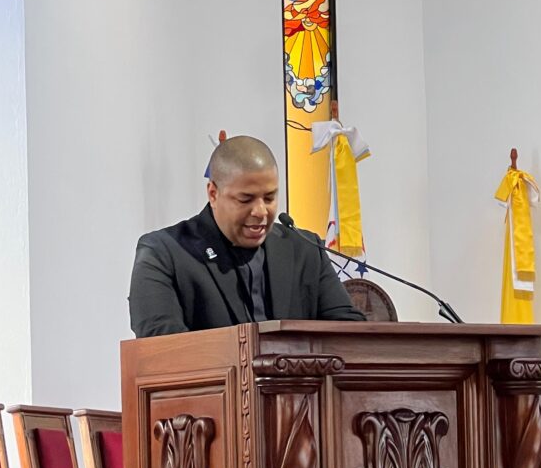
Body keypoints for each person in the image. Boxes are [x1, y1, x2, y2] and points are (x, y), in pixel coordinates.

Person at [129, 136, 365, 338]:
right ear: (213, 193)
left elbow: (349, 334)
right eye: (245, 199)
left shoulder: (304, 250)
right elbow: (161, 347)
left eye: (270, 198)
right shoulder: (164, 253)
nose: (261, 211)